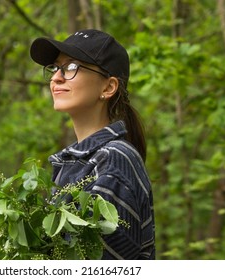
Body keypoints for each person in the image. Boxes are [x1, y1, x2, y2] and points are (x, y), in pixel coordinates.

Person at [29, 29, 155, 260]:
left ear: (108, 87)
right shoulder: (77, 162)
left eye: (71, 67)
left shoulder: (113, 160)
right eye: (56, 68)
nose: (56, 77)